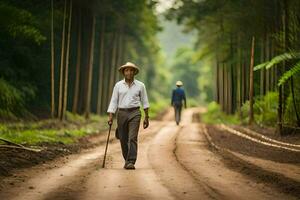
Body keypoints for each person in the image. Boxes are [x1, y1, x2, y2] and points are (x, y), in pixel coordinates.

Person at [107, 62, 150, 170]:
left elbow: (145, 102)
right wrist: (111, 115)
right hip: (121, 113)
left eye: (131, 70)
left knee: (132, 138)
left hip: (135, 113)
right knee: (123, 139)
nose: (129, 72)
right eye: (127, 70)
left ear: (134, 72)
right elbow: (114, 101)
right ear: (123, 72)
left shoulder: (141, 85)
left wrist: (146, 117)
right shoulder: (118, 85)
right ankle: (127, 159)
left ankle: (131, 161)